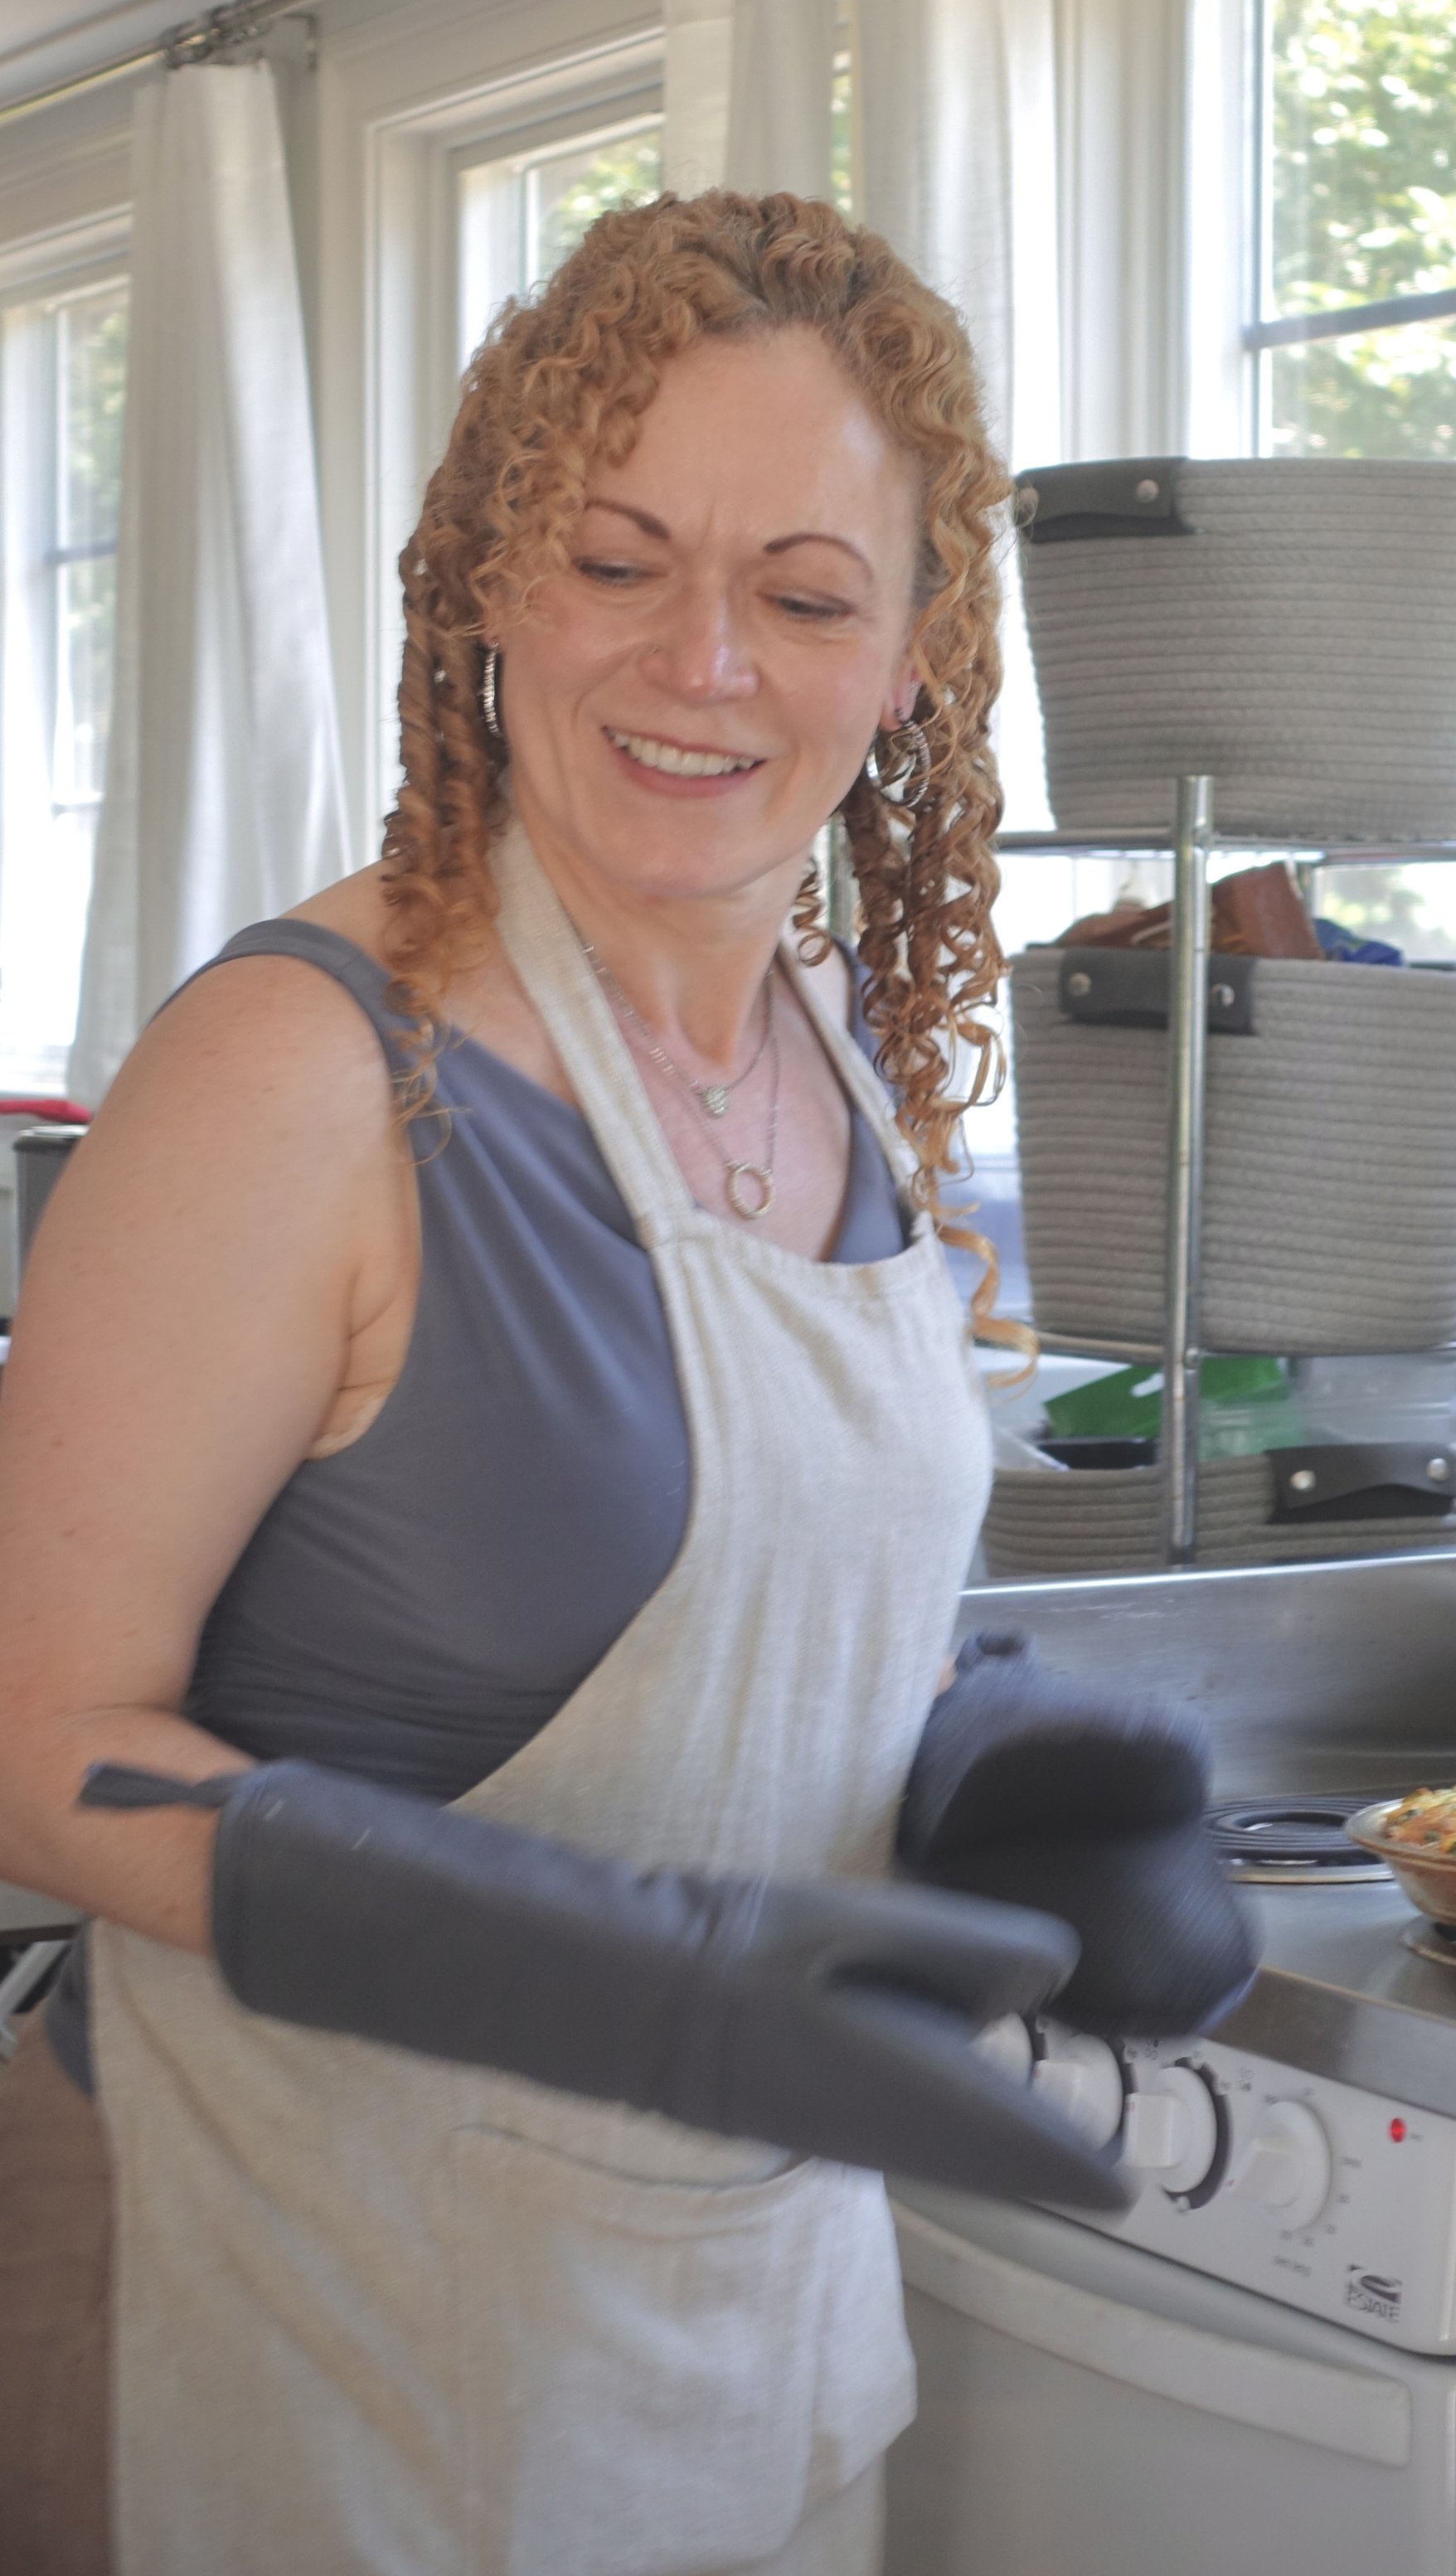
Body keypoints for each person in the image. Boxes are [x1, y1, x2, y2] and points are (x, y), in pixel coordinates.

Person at [0, 192, 1252, 2576]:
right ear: (486, 585)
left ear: (906, 663)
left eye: (800, 593)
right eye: (612, 559)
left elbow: (763, 1598)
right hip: (284, 2327)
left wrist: (991, 1765)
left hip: (738, 2334)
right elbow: (25, 1741)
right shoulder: (305, 1072)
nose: (700, 662)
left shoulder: (838, 1061)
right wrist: (618, 1974)